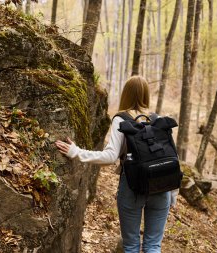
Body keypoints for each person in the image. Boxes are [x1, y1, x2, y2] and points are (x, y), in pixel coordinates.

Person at [55, 75, 178, 253]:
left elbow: (110, 157)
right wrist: (173, 193)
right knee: (153, 245)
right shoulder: (158, 120)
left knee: (131, 246)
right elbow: (171, 157)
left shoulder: (121, 119)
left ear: (125, 94)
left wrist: (76, 152)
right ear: (146, 95)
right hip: (161, 188)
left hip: (132, 187)